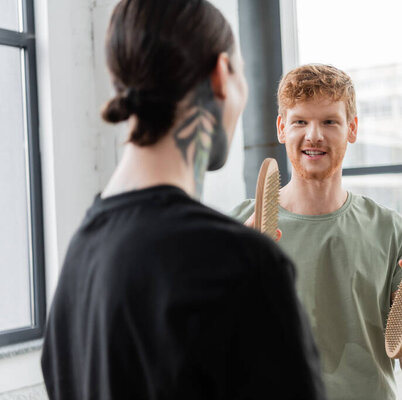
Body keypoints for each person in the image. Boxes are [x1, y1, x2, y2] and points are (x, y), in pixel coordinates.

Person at [41, 2, 325, 399]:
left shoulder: (80, 257)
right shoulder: (244, 266)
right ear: (222, 74)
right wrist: (238, 259)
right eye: (242, 75)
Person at [231, 64, 402, 400]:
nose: (314, 135)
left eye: (329, 121)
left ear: (352, 128)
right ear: (281, 128)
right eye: (300, 121)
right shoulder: (241, 227)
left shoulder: (390, 231)